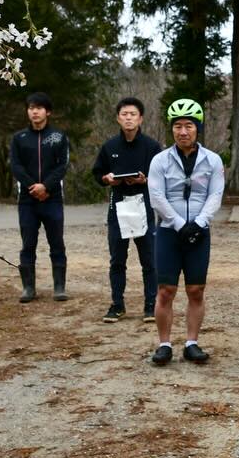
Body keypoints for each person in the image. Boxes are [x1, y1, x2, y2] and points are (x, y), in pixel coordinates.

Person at [146, 99, 225, 366]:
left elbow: (215, 194)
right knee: (166, 290)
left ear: (197, 128)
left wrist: (199, 223)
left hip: (199, 232)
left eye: (188, 126)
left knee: (196, 290)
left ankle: (192, 343)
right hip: (169, 232)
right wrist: (180, 224)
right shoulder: (160, 160)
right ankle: (164, 344)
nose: (183, 132)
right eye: (177, 126)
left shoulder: (212, 160)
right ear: (172, 130)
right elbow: (156, 196)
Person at [92, 96, 164, 323]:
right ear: (118, 118)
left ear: (141, 118)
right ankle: (117, 304)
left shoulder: (152, 146)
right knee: (117, 259)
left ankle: (151, 304)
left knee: (149, 259)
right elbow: (97, 174)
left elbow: (161, 177)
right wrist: (107, 179)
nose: (129, 118)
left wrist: (145, 180)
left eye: (133, 114)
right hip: (118, 205)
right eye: (124, 114)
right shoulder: (110, 146)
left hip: (143, 205)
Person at [10, 92, 70, 302]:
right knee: (28, 243)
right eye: (31, 108)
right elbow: (15, 166)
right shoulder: (19, 138)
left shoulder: (59, 137)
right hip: (27, 199)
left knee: (57, 242)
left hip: (52, 198)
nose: (34, 111)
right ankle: (28, 287)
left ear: (48, 111)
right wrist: (32, 186)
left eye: (39, 108)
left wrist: (46, 186)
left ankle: (59, 286)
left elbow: (62, 166)